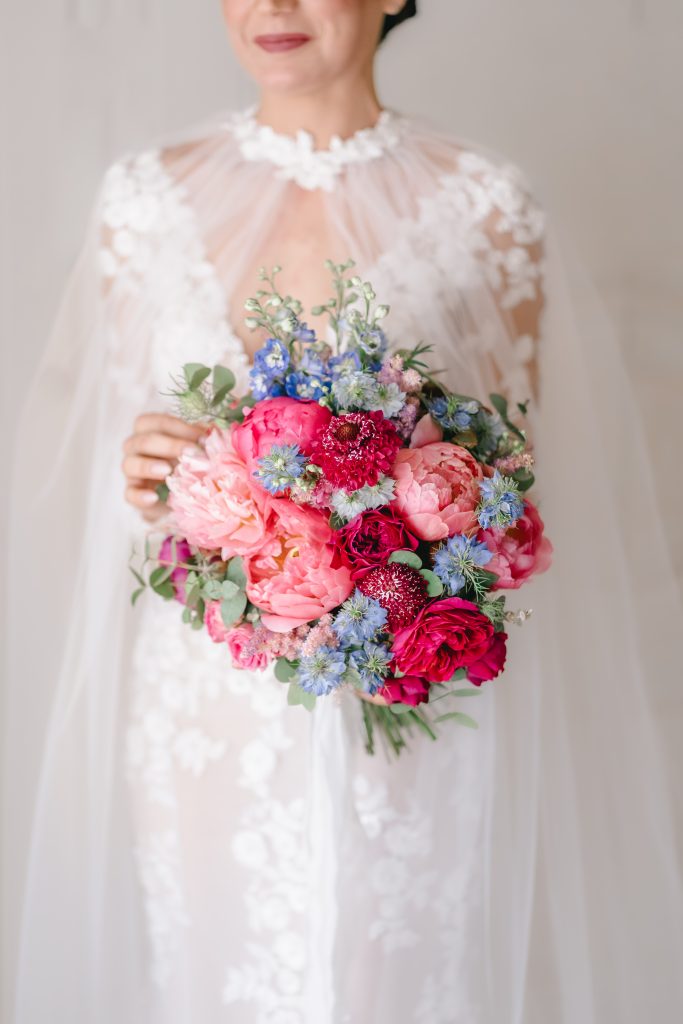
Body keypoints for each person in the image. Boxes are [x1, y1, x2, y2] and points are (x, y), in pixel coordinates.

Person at [5, 1, 683, 1022]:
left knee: (393, 981)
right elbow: (129, 477)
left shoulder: (486, 204)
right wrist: (144, 475)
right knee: (213, 964)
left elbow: (512, 484)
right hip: (206, 694)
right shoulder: (143, 198)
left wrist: (416, 511)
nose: (273, 6)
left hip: (403, 694)